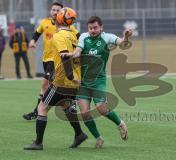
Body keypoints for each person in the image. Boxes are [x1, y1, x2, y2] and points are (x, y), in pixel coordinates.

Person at [61, 16, 133, 148]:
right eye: (90, 28)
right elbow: (77, 52)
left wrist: (126, 37)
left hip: (98, 80)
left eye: (95, 28)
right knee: (84, 113)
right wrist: (70, 55)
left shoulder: (107, 38)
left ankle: (120, 124)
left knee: (101, 109)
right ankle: (98, 138)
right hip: (84, 82)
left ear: (101, 27)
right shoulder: (83, 37)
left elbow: (123, 44)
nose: (92, 30)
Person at [24, 7, 87, 150]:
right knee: (66, 106)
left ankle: (38, 143)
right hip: (74, 81)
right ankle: (79, 134)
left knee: (42, 107)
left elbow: (65, 58)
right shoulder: (74, 35)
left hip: (63, 80)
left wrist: (70, 76)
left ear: (59, 19)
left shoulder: (59, 36)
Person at [22, 2, 80, 120]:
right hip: (46, 59)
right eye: (53, 10)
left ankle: (38, 111)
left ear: (62, 14)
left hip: (57, 60)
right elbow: (37, 34)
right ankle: (69, 104)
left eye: (58, 11)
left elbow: (80, 38)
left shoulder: (67, 26)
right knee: (50, 85)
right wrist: (33, 41)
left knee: (46, 84)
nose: (55, 12)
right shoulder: (45, 23)